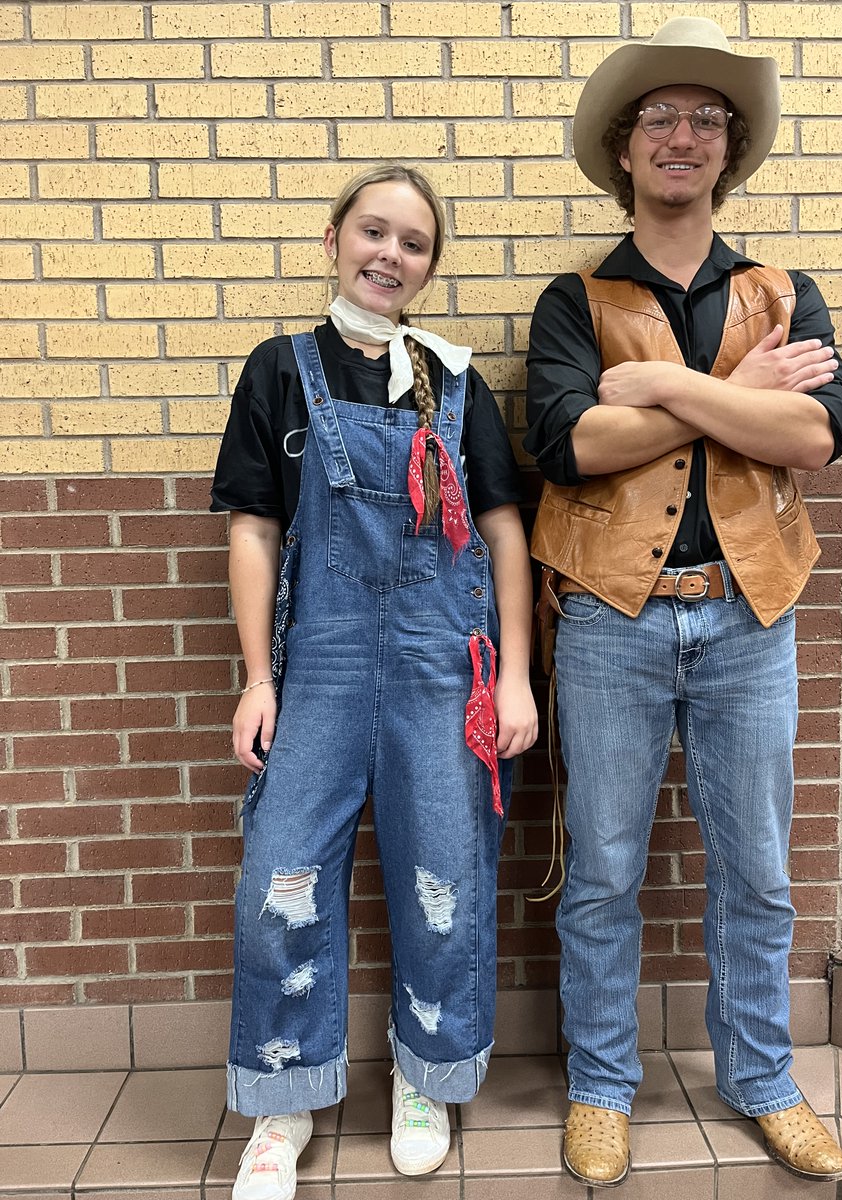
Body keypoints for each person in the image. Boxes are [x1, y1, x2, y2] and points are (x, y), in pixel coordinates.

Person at [524, 17, 842, 1188]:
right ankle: (602, 1087)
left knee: (757, 869)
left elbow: (811, 437)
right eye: (659, 117)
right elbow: (571, 445)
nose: (683, 135)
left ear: (730, 148)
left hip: (752, 614)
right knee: (604, 870)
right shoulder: (573, 300)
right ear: (625, 149)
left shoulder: (786, 293)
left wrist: (666, 382)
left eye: (706, 119)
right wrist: (736, 396)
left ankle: (763, 1081)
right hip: (610, 617)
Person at [211, 163, 538, 1200]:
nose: (390, 254)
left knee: (444, 874)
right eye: (373, 231)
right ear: (334, 239)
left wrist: (516, 678)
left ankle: (425, 1076)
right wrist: (257, 678)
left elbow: (503, 530)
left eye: (414, 242)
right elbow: (255, 530)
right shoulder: (279, 369)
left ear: (429, 267)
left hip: (444, 668)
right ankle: (282, 1100)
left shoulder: (456, 380)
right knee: (280, 881)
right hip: (321, 665)